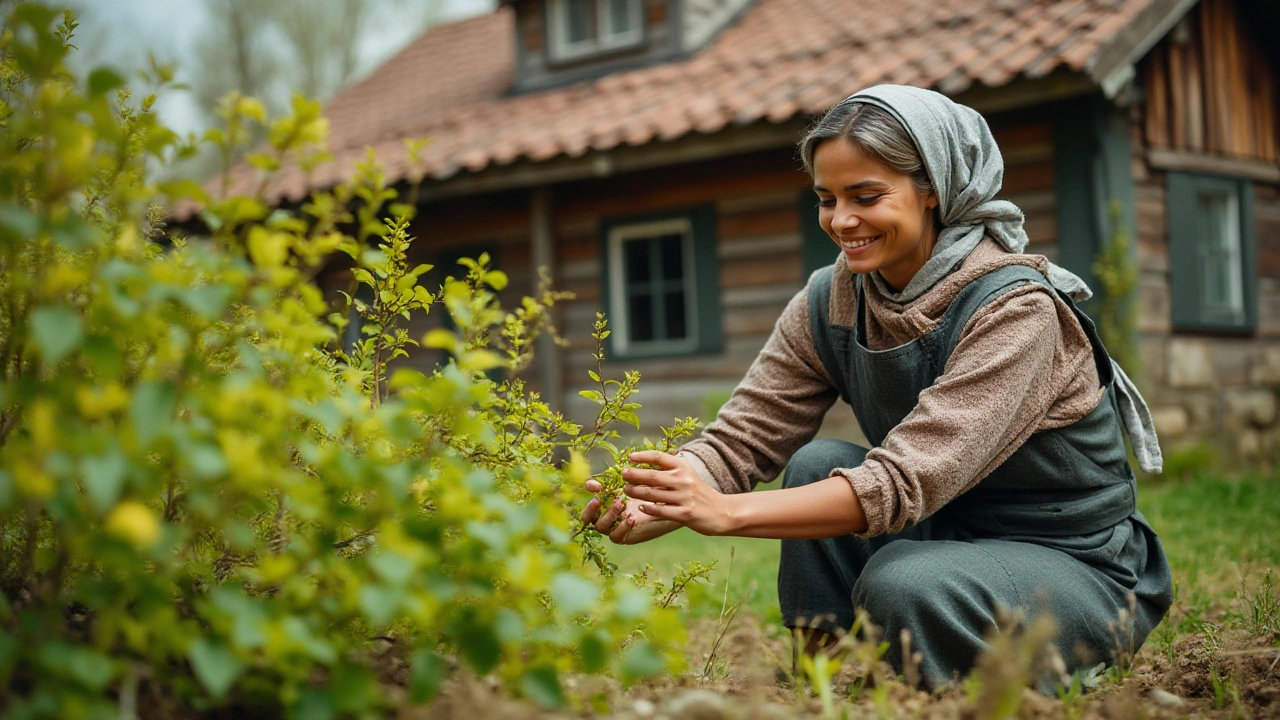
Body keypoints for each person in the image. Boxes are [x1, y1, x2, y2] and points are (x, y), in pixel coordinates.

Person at [580, 85, 1173, 691]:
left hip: (1075, 570)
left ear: (933, 190)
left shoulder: (1015, 311)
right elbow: (745, 435)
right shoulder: (831, 297)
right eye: (826, 198)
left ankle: (964, 686)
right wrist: (661, 503)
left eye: (866, 196)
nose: (841, 221)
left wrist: (727, 513)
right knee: (818, 465)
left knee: (905, 583)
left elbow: (905, 480)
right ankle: (821, 688)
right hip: (948, 533)